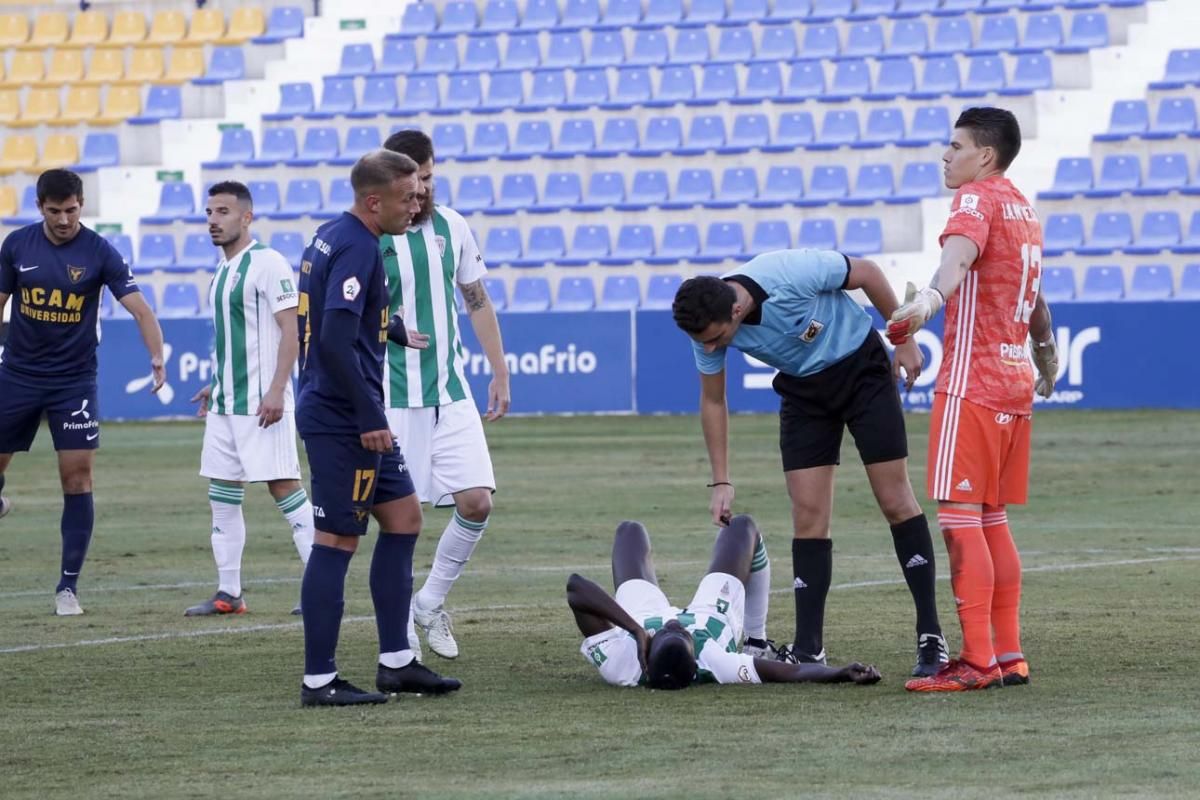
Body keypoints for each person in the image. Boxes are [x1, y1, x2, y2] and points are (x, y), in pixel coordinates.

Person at [671, 250, 949, 677]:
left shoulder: (787, 274)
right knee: (808, 515)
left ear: (737, 307)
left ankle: (931, 636)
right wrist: (720, 481)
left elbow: (868, 273)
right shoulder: (705, 327)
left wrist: (904, 338)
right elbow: (713, 399)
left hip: (862, 372)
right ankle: (809, 650)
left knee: (895, 500)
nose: (709, 347)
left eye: (716, 337)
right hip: (804, 393)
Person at [886, 107, 1057, 692]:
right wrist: (1047, 353)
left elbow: (955, 262)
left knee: (961, 523)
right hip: (1013, 384)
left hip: (972, 384)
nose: (945, 154)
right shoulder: (1024, 209)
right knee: (993, 519)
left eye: (955, 145)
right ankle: (1009, 654)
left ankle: (978, 660)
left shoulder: (975, 201)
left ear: (984, 155)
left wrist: (926, 304)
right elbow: (1033, 294)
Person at [295, 149, 462, 706]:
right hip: (344, 416)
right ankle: (319, 680)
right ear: (374, 200)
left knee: (405, 518)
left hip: (348, 407)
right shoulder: (361, 247)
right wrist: (369, 417)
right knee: (337, 539)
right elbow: (333, 342)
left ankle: (397, 661)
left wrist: (387, 330)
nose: (417, 206)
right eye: (408, 196)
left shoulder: (331, 235)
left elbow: (333, 315)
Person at [0, 168, 165, 616]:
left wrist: (156, 355)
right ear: (40, 208)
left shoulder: (99, 251)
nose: (64, 219)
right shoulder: (16, 246)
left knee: (77, 478)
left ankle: (67, 588)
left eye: (71, 210)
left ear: (82, 204)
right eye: (54, 211)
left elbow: (140, 309)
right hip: (16, 374)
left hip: (73, 382)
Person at [378, 129, 511, 660]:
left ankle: (428, 602)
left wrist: (498, 370)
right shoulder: (372, 236)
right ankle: (399, 630)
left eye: (430, 177)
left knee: (476, 502)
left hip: (450, 392)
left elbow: (476, 300)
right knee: (400, 518)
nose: (424, 189)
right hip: (393, 395)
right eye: (414, 180)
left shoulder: (452, 226)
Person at [184, 181, 315, 616]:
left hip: (262, 403)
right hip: (225, 404)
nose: (213, 221)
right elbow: (237, 341)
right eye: (209, 213)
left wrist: (277, 389)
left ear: (246, 217)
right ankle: (229, 594)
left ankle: (321, 586)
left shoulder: (268, 263)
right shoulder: (223, 270)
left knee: (284, 487)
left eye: (222, 212)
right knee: (222, 494)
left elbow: (291, 330)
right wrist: (215, 382)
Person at [569, 516, 882, 689]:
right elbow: (787, 673)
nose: (674, 622)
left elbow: (576, 588)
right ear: (696, 664)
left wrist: (637, 630)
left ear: (646, 661)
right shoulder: (717, 661)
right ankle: (756, 639)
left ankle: (649, 627)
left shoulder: (620, 663)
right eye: (681, 632)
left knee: (629, 531)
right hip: (710, 619)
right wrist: (841, 672)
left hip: (639, 616)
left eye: (668, 630)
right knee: (742, 528)